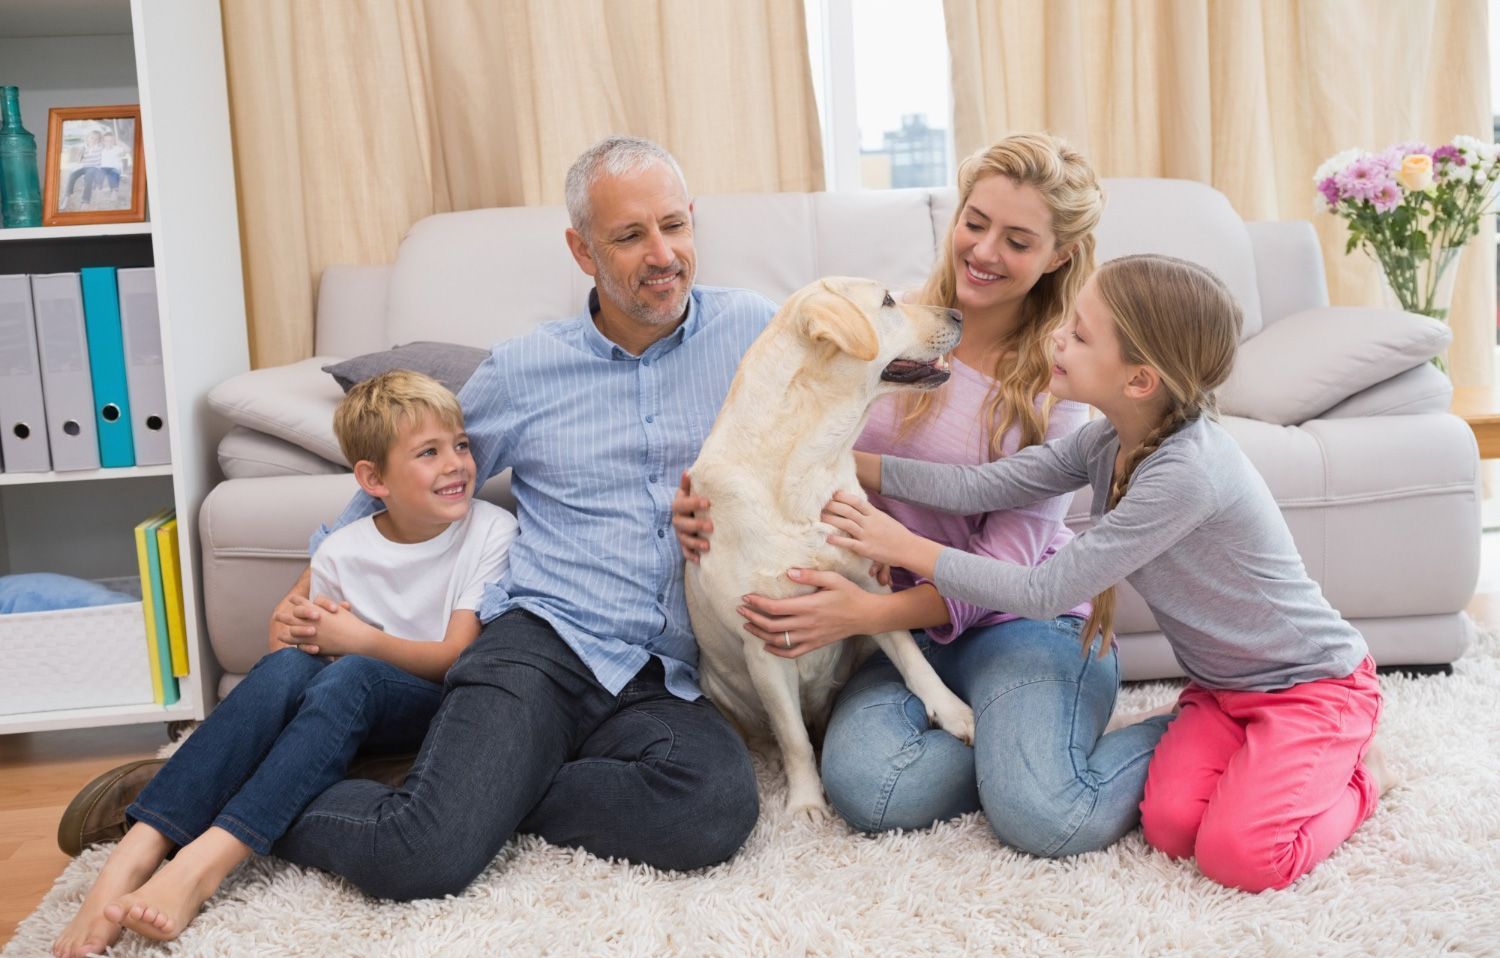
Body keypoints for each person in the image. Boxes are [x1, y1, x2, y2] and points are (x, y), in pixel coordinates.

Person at [248, 136, 769, 901]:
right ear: (582, 250)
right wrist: (313, 580)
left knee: (713, 807)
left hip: (665, 677)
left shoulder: (751, 331)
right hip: (544, 646)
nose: (663, 254)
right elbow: (405, 481)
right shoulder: (525, 369)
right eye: (629, 236)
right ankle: (250, 796)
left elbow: (818, 445)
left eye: (674, 226)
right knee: (419, 858)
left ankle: (473, 789)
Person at [821, 253, 1389, 892]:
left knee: (1240, 859)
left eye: (1080, 335)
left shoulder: (1186, 474)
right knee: (1171, 829)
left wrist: (908, 548)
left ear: (1140, 380)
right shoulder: (1108, 440)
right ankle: (1249, 757)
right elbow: (986, 485)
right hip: (1220, 693)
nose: (1056, 337)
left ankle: (1356, 783)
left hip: (1309, 686)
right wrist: (846, 458)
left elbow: (1047, 591)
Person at [676, 133, 1170, 857]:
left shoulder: (1060, 380)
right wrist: (707, 502)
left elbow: (1012, 568)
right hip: (895, 635)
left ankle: (1182, 725)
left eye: (1019, 240)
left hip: (1021, 621)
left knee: (1044, 815)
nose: (985, 251)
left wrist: (867, 610)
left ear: (1058, 255)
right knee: (871, 788)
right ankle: (1029, 740)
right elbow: (788, 448)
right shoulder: (885, 325)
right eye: (976, 221)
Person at [53, 370, 518, 958]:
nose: (456, 464)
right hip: (345, 700)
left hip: (426, 702)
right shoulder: (341, 549)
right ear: (373, 480)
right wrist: (307, 640)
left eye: (460, 445)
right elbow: (288, 670)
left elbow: (455, 659)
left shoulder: (489, 530)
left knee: (352, 673)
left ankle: (204, 862)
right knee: (283, 671)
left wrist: (358, 641)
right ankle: (134, 852)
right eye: (429, 452)